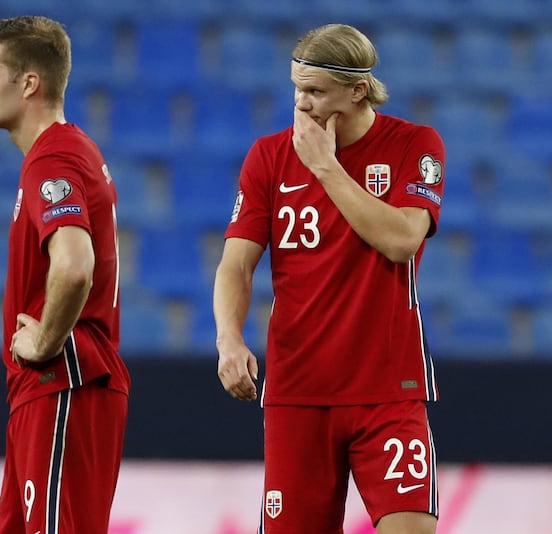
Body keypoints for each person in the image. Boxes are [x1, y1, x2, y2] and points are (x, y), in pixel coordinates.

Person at [213, 23, 444, 534]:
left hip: (388, 385)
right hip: (299, 388)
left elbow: (403, 239)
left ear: (358, 90)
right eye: (297, 88)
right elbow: (236, 263)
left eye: (315, 91)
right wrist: (229, 338)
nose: (302, 103)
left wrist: (326, 168)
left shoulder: (415, 145)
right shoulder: (268, 157)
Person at [0, 16, 130, 534]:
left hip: (61, 383)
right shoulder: (65, 150)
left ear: (29, 83)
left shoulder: (53, 159)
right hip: (44, 392)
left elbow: (75, 265)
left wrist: (44, 341)